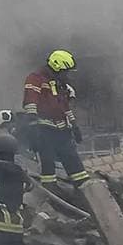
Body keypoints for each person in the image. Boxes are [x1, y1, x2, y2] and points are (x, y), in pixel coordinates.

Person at [22, 50, 90, 207]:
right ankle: (51, 198)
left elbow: (64, 107)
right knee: (48, 167)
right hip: (45, 130)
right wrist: (32, 123)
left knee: (75, 165)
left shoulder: (59, 84)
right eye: (66, 71)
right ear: (57, 67)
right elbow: (30, 99)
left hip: (63, 131)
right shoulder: (36, 78)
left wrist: (74, 125)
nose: (68, 75)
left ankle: (84, 193)